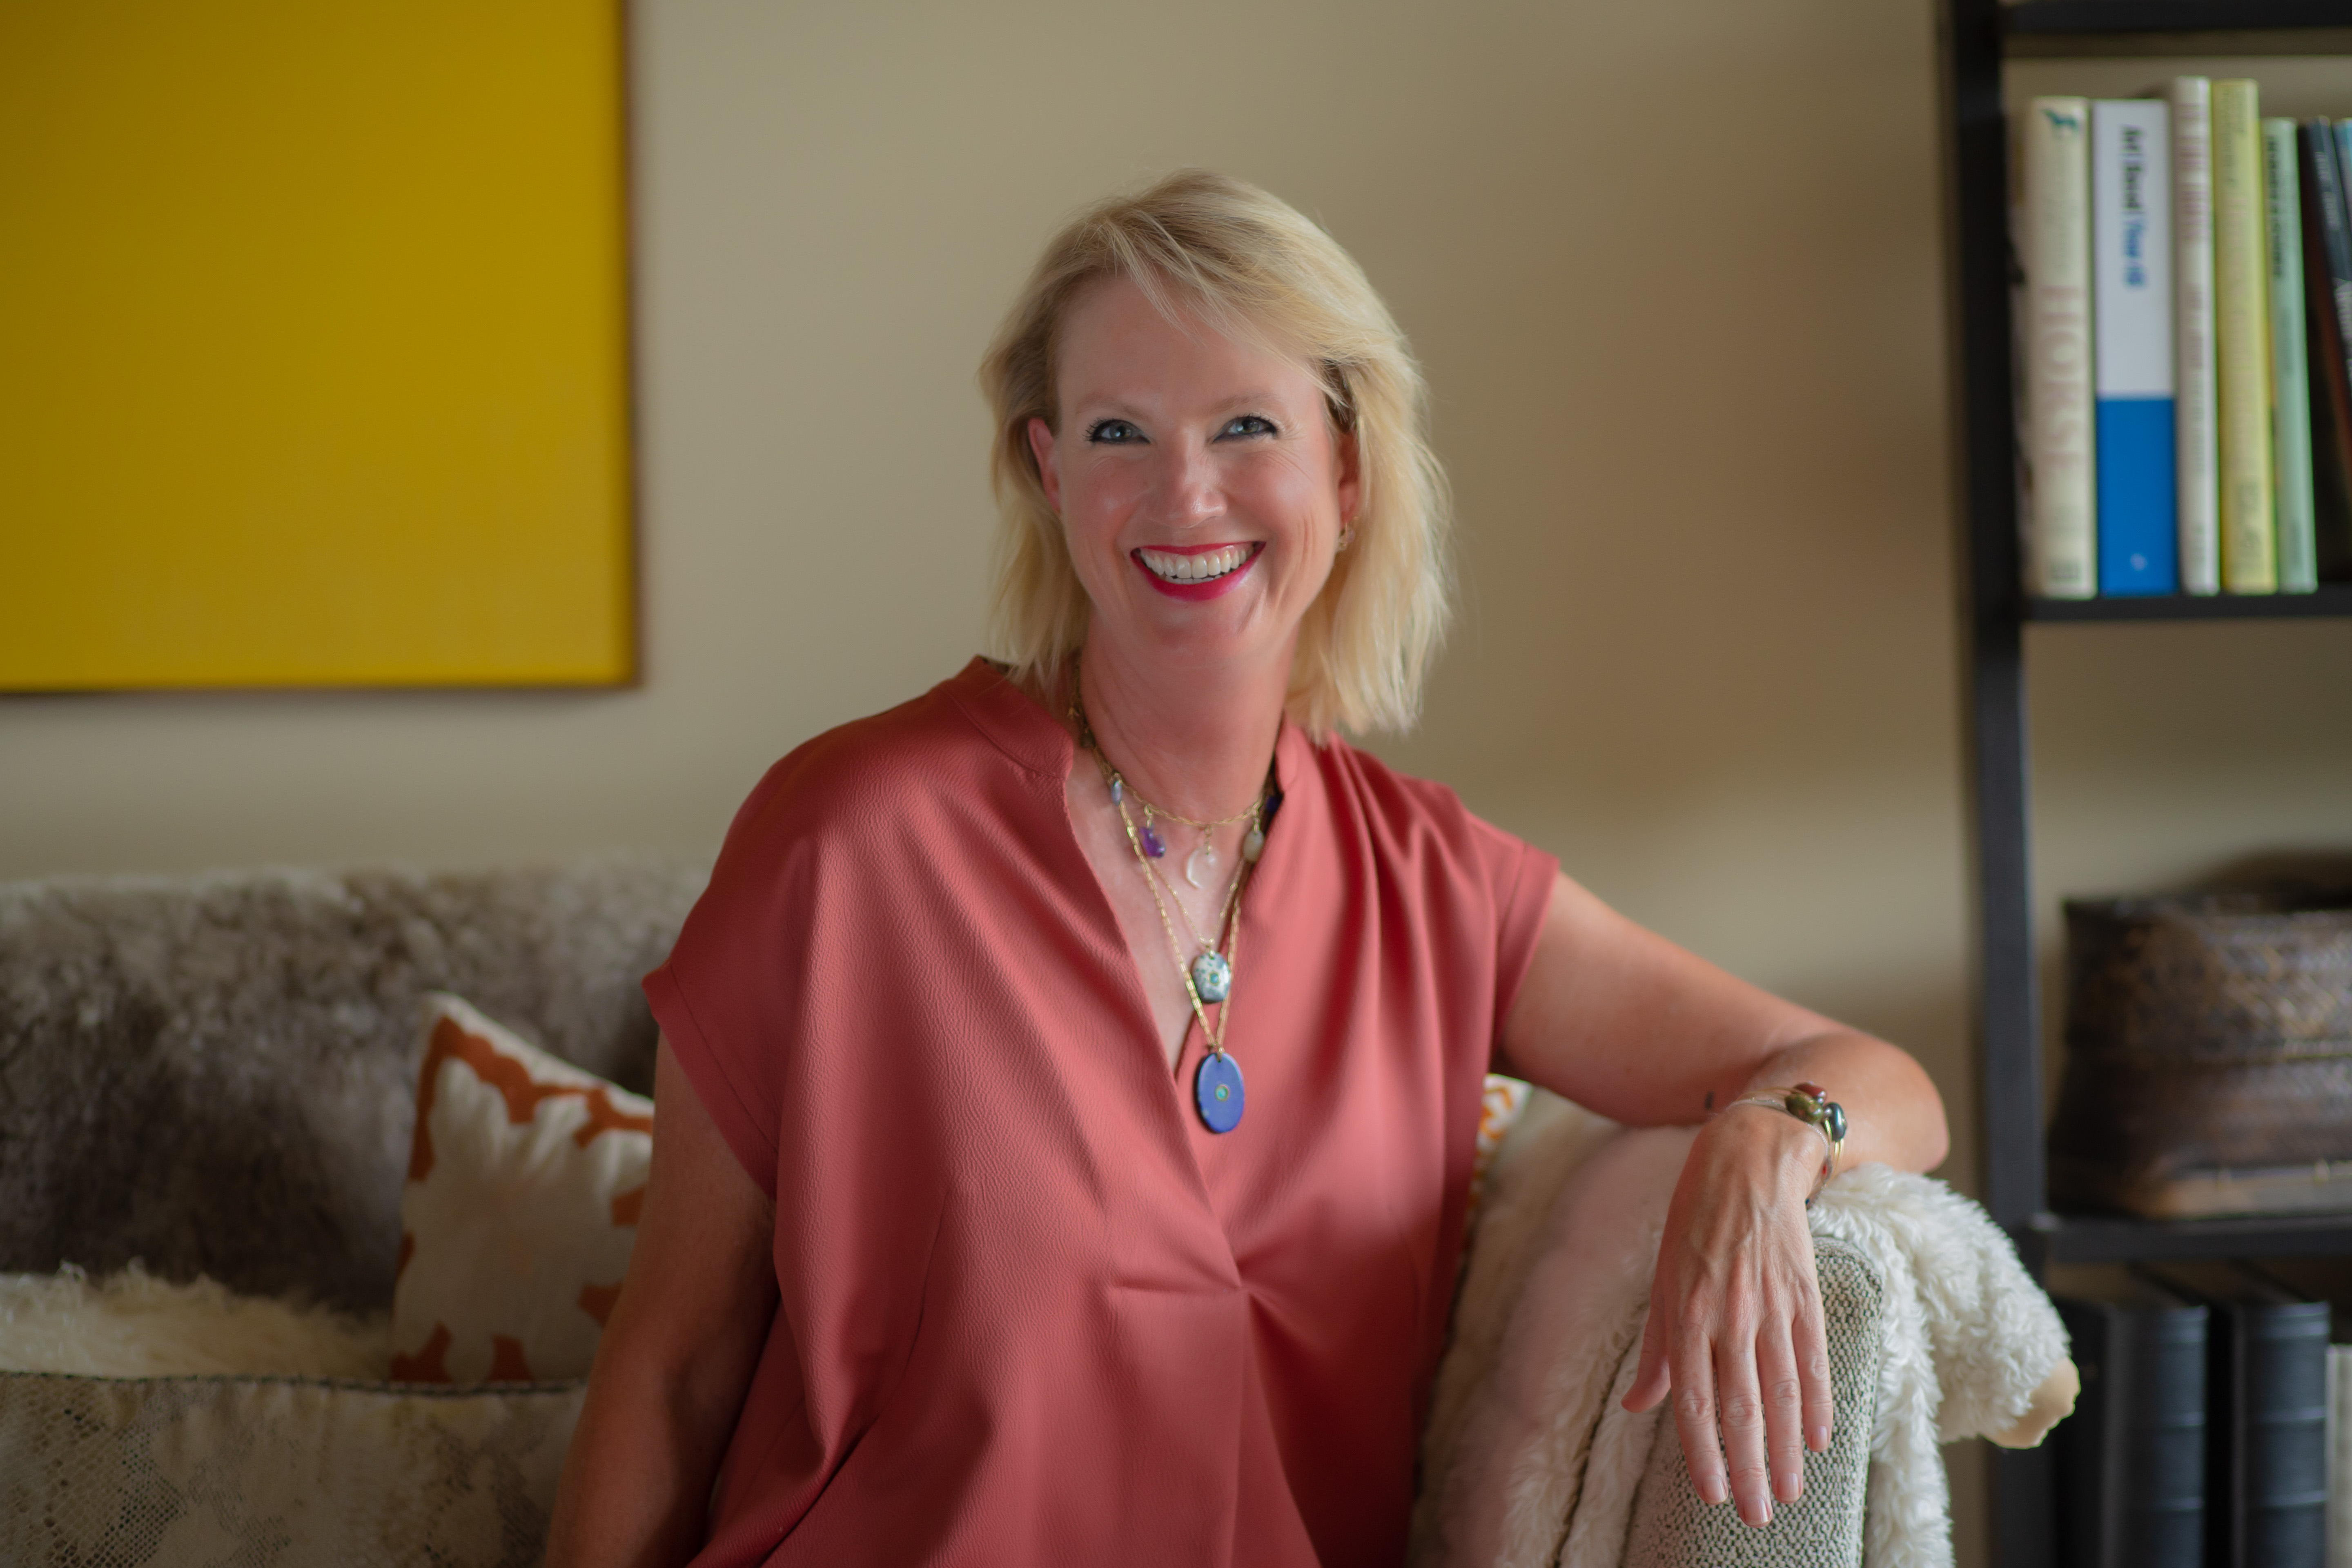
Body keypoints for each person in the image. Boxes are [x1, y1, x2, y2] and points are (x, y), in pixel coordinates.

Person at [545, 169, 1948, 1567]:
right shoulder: (847, 833)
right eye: (1117, 433)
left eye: (1244, 428)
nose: (1185, 493)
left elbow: (1874, 1076)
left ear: (1345, 470)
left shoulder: (1436, 884)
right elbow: (672, 1372)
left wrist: (1773, 1145)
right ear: (1048, 472)